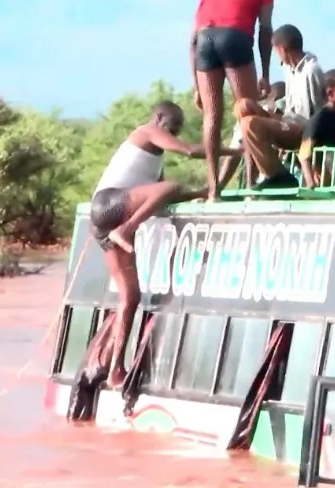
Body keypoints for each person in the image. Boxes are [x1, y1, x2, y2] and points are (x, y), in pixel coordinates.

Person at [89, 101, 237, 387]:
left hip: (104, 221)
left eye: (178, 129)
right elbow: (190, 151)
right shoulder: (146, 132)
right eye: (173, 127)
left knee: (130, 298)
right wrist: (235, 151)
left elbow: (162, 196)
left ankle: (115, 369)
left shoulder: (153, 162)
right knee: (171, 186)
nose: (174, 133)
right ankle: (127, 230)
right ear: (159, 118)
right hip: (108, 204)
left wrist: (200, 193)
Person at [192, 0, 275, 201]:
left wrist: (196, 85)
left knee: (211, 116)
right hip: (234, 38)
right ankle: (250, 187)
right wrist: (265, 73)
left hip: (205, 40)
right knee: (247, 112)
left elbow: (193, 40)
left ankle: (213, 189)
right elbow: (265, 30)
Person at [216, 81, 287, 191]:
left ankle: (247, 185)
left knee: (249, 134)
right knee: (246, 136)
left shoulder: (276, 109)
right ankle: (230, 185)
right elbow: (236, 150)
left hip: (276, 152)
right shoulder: (246, 121)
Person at [300, 69, 335, 188]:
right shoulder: (321, 118)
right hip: (323, 176)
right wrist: (310, 183)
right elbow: (304, 153)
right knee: (331, 153)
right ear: (330, 93)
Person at [232, 98, 302, 188]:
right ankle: (276, 176)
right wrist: (250, 184)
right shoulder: (252, 130)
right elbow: (249, 155)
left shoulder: (255, 121)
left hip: (298, 130)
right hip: (288, 137)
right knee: (248, 126)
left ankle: (278, 176)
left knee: (248, 123)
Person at [273, 24, 325, 126]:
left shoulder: (312, 70)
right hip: (289, 122)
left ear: (282, 49)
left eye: (277, 51)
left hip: (306, 128)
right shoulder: (290, 70)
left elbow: (320, 108)